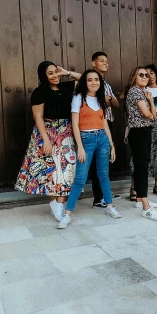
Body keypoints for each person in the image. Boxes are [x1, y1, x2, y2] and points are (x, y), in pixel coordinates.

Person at [15, 61, 81, 221]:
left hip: (66, 133)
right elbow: (37, 116)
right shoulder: (40, 91)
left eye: (56, 72)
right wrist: (46, 140)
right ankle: (57, 204)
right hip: (47, 132)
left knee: (65, 170)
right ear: (43, 76)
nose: (55, 76)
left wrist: (66, 72)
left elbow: (84, 78)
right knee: (51, 171)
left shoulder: (66, 87)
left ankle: (59, 203)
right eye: (50, 73)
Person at [58, 69, 121, 228]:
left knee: (103, 175)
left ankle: (109, 206)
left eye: (96, 80)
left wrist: (112, 145)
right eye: (90, 79)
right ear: (85, 82)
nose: (94, 82)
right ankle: (67, 214)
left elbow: (105, 123)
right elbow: (75, 124)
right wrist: (79, 147)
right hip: (86, 140)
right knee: (80, 178)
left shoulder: (101, 99)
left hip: (102, 139)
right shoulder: (78, 98)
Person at [125, 66, 157, 221]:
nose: (145, 77)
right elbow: (149, 114)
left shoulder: (143, 93)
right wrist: (150, 103)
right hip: (139, 132)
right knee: (141, 167)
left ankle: (141, 199)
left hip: (144, 131)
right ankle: (146, 207)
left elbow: (152, 116)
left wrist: (151, 100)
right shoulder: (135, 92)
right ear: (134, 76)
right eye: (141, 75)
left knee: (143, 165)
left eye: (147, 75)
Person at [129, 64, 157, 199]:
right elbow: (145, 113)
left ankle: (156, 185)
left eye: (150, 73)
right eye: (144, 74)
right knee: (140, 159)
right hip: (143, 126)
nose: (148, 76)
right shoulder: (140, 91)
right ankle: (135, 188)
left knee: (156, 154)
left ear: (156, 75)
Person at [87, 52, 121, 209]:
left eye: (107, 61)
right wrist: (106, 99)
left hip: (108, 123)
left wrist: (109, 98)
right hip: (96, 126)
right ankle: (98, 197)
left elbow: (115, 103)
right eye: (101, 61)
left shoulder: (106, 84)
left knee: (106, 159)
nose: (105, 63)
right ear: (94, 63)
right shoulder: (90, 81)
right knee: (96, 162)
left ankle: (105, 192)